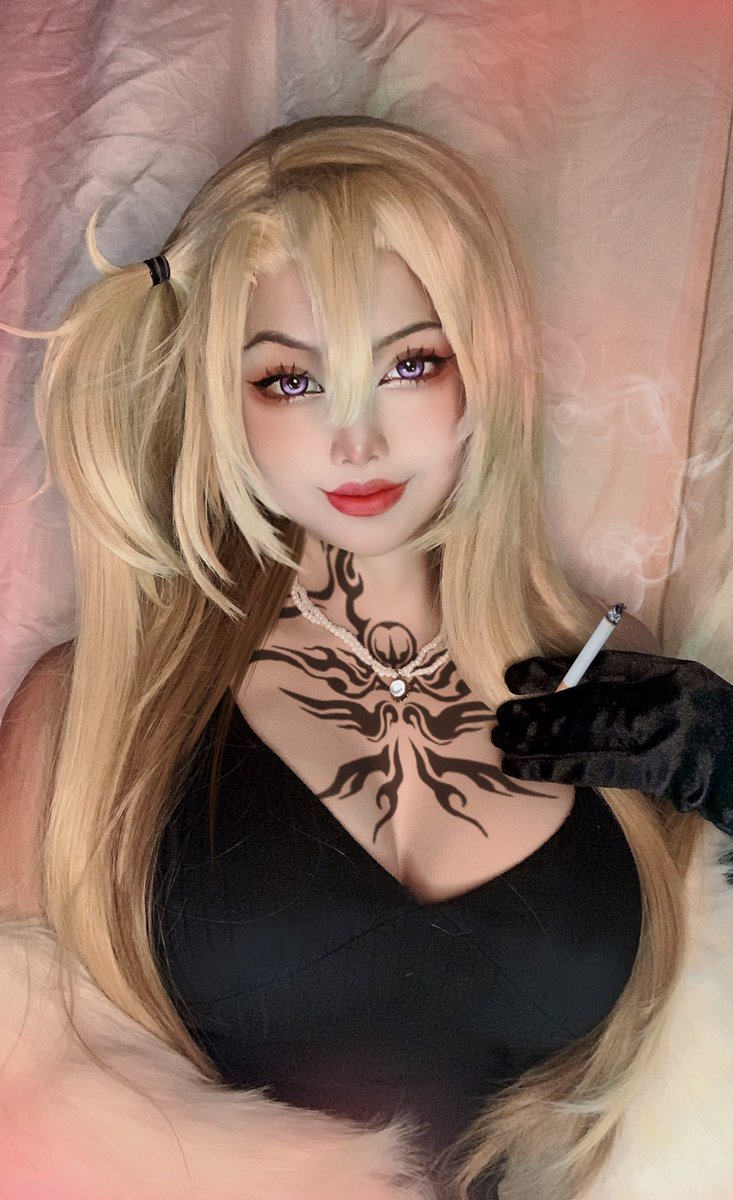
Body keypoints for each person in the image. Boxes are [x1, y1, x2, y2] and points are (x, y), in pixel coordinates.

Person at [1, 113, 732, 1200]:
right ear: (219, 397)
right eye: (290, 380)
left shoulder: (628, 695)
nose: (357, 439)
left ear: (483, 372)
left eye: (409, 364)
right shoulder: (94, 709)